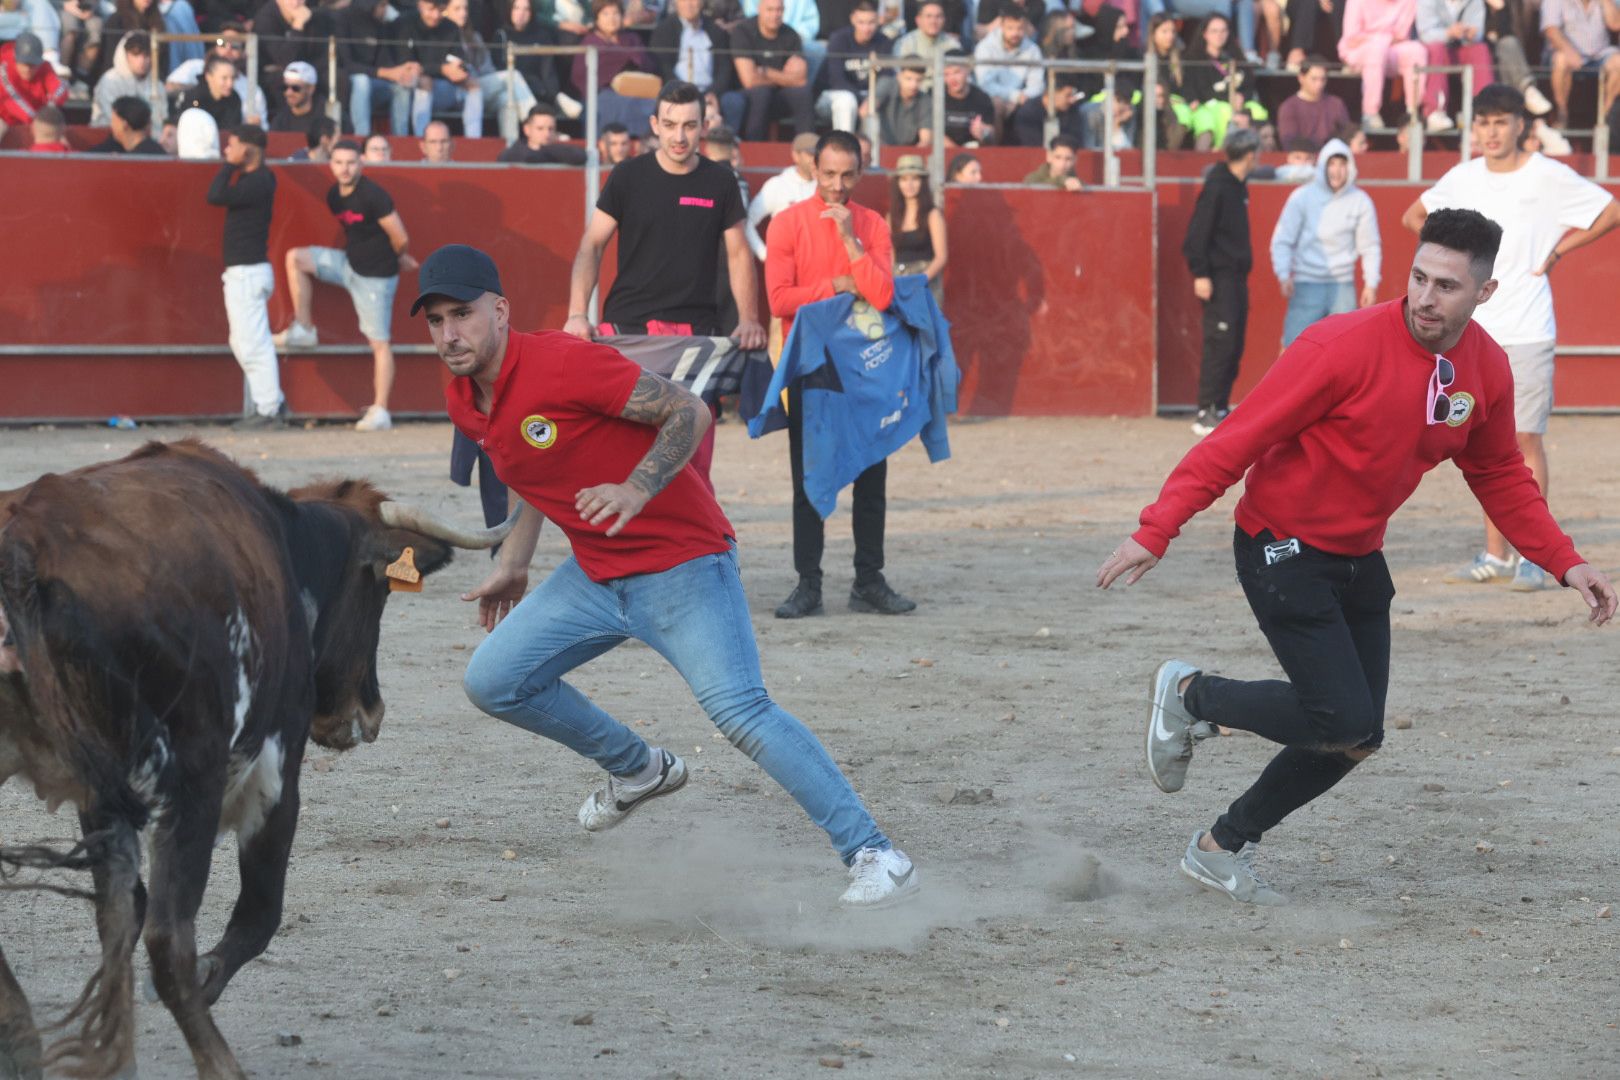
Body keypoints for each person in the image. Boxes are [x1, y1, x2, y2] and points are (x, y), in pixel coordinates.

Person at [1096, 208, 1618, 906]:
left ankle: (1219, 847)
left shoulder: (1485, 368)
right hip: (1279, 546)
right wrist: (1157, 528)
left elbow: (1498, 475)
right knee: (1340, 717)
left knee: (1355, 738)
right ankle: (1192, 696)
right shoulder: (1338, 346)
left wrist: (1565, 560)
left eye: (1449, 287)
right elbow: (1236, 439)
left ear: (1484, 294)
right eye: (1419, 278)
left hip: (1357, 556)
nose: (1427, 298)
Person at [413, 244, 920, 908]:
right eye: (435, 321)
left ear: (500, 311)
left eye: (463, 314)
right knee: (492, 680)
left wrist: (635, 487)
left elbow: (691, 411)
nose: (450, 334)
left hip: (684, 565)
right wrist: (513, 564)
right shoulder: (464, 398)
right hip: (594, 576)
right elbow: (534, 466)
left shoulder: (563, 362)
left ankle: (874, 851)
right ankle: (638, 769)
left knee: (741, 713)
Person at [1401, 84, 1620, 589]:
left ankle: (1532, 556)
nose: (1491, 133)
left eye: (1500, 122)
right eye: (1483, 123)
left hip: (1526, 328)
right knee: (1483, 445)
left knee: (1524, 440)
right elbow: (1416, 216)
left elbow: (1609, 210)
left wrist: (1559, 252)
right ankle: (1496, 554)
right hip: (1471, 331)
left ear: (1520, 124)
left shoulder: (1548, 174)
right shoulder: (1463, 176)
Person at [564, 81, 767, 485]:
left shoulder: (721, 181)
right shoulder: (627, 176)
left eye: (690, 125)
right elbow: (592, 245)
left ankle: (693, 548)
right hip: (629, 331)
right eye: (671, 124)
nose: (679, 136)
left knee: (692, 466)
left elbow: (739, 253)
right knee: (623, 457)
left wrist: (748, 318)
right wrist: (575, 314)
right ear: (655, 124)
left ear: (703, 126)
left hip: (696, 337)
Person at [765, 130, 916, 618]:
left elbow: (883, 296)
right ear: (812, 167)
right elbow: (778, 300)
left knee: (872, 477)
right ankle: (808, 582)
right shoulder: (786, 223)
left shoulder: (870, 225)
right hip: (811, 366)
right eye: (828, 173)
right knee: (808, 479)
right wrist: (837, 284)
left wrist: (850, 239)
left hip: (865, 369)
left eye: (847, 174)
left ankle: (867, 580)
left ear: (861, 171)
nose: (836, 184)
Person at [277, 140, 420, 432]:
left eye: (351, 162)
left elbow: (400, 235)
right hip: (348, 265)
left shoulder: (373, 195)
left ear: (361, 164)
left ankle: (380, 410)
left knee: (379, 343)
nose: (344, 168)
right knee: (296, 258)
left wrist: (398, 256)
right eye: (339, 162)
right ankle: (304, 329)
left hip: (375, 278)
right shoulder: (334, 196)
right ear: (331, 164)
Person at [207, 124, 285, 429]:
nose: (227, 150)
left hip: (248, 272)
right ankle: (266, 405)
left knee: (253, 344)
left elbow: (215, 195)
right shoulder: (258, 179)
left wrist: (228, 165)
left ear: (248, 149)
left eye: (233, 145)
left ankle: (269, 409)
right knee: (244, 341)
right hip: (245, 271)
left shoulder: (259, 181)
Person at [1183, 126, 1259, 436]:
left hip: (1235, 277)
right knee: (1220, 342)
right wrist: (1200, 272)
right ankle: (1205, 409)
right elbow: (1196, 236)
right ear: (1250, 155)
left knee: (1234, 342)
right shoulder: (1217, 187)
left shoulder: (1238, 187)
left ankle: (1220, 405)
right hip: (1219, 277)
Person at [1270, 137, 1381, 347]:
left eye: (1342, 164)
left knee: (1345, 351)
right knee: (1293, 350)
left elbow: (1370, 246)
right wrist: (1283, 274)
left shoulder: (1361, 201)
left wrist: (1371, 283)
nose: (1337, 170)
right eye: (1331, 163)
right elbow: (1282, 239)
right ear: (1322, 166)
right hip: (1305, 284)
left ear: (1350, 166)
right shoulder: (1301, 197)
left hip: (1343, 285)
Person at [394, 0, 482, 137]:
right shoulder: (405, 24)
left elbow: (457, 58)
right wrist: (441, 69)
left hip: (444, 86)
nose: (435, 15)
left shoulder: (451, 27)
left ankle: (474, 139)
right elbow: (406, 65)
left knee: (473, 84)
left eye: (440, 10)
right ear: (420, 5)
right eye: (431, 9)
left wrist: (459, 69)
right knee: (425, 81)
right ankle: (421, 136)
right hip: (411, 88)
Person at [650, 0, 744, 130]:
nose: (689, 4)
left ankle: (729, 143)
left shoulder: (715, 30)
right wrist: (683, 93)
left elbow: (725, 68)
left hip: (711, 92)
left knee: (734, 101)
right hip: (676, 91)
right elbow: (663, 68)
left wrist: (713, 92)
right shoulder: (663, 30)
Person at [732, 0, 816, 140]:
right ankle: (753, 148)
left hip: (779, 97)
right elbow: (749, 80)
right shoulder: (743, 31)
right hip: (748, 96)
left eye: (779, 10)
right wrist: (785, 77)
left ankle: (808, 147)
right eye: (770, 10)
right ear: (759, 9)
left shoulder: (791, 35)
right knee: (762, 93)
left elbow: (800, 80)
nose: (775, 15)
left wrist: (766, 72)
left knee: (803, 93)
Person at [339, 0, 422, 138]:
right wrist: (385, 73)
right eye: (382, 5)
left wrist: (404, 70)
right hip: (348, 84)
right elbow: (345, 64)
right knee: (361, 81)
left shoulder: (383, 24)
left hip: (377, 83)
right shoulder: (344, 19)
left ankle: (400, 137)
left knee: (402, 86)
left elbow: (387, 62)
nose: (386, 9)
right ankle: (362, 136)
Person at [1338, 0, 1425, 129]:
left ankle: (1412, 111)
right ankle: (1370, 113)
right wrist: (1382, 40)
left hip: (1391, 48)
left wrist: (1384, 40)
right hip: (1358, 49)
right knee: (1376, 50)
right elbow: (1352, 37)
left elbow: (1401, 35)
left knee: (1417, 50)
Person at [572, 0, 659, 131]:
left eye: (615, 13)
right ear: (597, 18)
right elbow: (579, 76)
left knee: (653, 105)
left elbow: (647, 65)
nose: (611, 19)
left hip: (635, 91)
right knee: (617, 104)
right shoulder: (589, 42)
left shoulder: (631, 38)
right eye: (606, 14)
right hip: (602, 94)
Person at [163, 24, 268, 128]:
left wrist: (254, 126)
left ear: (243, 52)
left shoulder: (252, 90)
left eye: (235, 45)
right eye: (222, 43)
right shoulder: (193, 66)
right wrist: (201, 87)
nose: (227, 50)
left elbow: (263, 126)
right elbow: (168, 89)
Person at [1541, 0, 1620, 132]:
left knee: (1619, 62)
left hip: (1599, 55)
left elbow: (1616, 24)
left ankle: (1605, 117)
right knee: (1561, 59)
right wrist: (1569, 51)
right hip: (1567, 53)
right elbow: (1551, 30)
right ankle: (1562, 113)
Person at [1415, 0, 1492, 132]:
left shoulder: (1475, 2)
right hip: (1436, 50)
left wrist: (1471, 34)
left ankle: (1485, 110)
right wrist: (1449, 33)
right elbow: (1425, 35)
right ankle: (1435, 110)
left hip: (1461, 49)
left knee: (1480, 49)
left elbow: (1478, 33)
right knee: (1436, 48)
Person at [818, 0, 889, 132]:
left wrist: (871, 100)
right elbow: (836, 80)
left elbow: (887, 77)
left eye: (871, 22)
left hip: (869, 98)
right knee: (846, 100)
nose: (866, 28)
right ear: (852, 19)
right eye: (861, 22)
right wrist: (864, 100)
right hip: (833, 97)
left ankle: (873, 151)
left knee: (880, 102)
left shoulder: (884, 41)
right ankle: (845, 148)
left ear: (878, 20)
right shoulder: (839, 39)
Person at [746, 130, 817, 259]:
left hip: (816, 266)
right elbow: (747, 222)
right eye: (810, 154)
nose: (815, 159)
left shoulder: (826, 186)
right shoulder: (778, 185)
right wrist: (765, 255)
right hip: (785, 264)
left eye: (818, 154)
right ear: (796, 155)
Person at [972, 2, 1042, 132]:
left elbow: (1036, 86)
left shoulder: (1033, 50)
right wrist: (1013, 96)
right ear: (1001, 26)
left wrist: (1019, 99)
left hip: (1022, 101)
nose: (1015, 33)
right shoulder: (985, 47)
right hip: (992, 98)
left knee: (1034, 107)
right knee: (997, 105)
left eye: (1019, 28)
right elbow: (985, 84)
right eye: (1010, 28)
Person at [888, 154, 946, 303]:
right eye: (904, 179)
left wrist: (920, 281)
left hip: (926, 284)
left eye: (915, 178)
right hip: (899, 284)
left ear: (922, 182)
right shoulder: (891, 217)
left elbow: (941, 257)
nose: (909, 184)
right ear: (898, 182)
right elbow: (890, 256)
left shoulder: (932, 215)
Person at [0, 32, 65, 142]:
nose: (28, 69)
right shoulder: (4, 68)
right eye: (24, 64)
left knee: (57, 134)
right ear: (15, 58)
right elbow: (13, 101)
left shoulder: (44, 66)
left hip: (34, 121)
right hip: (5, 118)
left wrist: (52, 103)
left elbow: (61, 89)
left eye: (32, 64)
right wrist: (40, 121)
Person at [1276, 58, 1351, 148]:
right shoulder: (1289, 107)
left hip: (1331, 158)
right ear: (1301, 78)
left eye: (1323, 79)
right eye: (1314, 79)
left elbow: (1347, 135)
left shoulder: (1336, 104)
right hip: (1302, 158)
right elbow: (1288, 141)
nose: (1319, 84)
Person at [91, 31, 160, 126]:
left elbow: (160, 119)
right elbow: (113, 118)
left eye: (146, 55)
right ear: (125, 55)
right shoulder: (110, 81)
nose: (142, 60)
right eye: (136, 54)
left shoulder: (157, 85)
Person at [893, 0, 960, 90]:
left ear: (944, 20)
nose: (933, 21)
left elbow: (959, 75)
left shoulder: (952, 43)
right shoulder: (905, 43)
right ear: (918, 20)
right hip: (915, 93)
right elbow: (899, 76)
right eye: (928, 16)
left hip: (945, 94)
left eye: (938, 16)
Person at [498, 101, 589, 161]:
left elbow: (580, 156)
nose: (547, 134)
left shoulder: (560, 151)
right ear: (527, 129)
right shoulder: (514, 153)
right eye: (540, 128)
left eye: (551, 129)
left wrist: (544, 150)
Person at [939, 48, 994, 146]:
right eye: (946, 74)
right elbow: (931, 133)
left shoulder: (982, 99)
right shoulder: (936, 97)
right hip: (943, 153)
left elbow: (991, 135)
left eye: (957, 72)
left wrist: (984, 132)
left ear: (968, 69)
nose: (952, 79)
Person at [868, 62, 932, 145]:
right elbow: (866, 111)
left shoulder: (925, 100)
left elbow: (925, 141)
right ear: (899, 76)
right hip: (880, 149)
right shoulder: (886, 85)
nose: (914, 85)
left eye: (918, 80)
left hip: (910, 153)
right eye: (908, 78)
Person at [1010, 75, 1082, 147]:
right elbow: (1030, 143)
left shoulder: (1072, 110)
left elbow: (1075, 139)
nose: (1072, 100)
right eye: (1068, 95)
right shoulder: (1028, 112)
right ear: (1052, 93)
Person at [88, 93, 166, 152]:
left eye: (114, 121)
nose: (111, 125)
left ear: (124, 124)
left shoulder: (134, 161)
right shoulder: (158, 150)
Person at [270, 59, 326, 134]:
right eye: (285, 87)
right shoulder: (280, 121)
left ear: (311, 89)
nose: (289, 93)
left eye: (295, 88)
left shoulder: (326, 118)